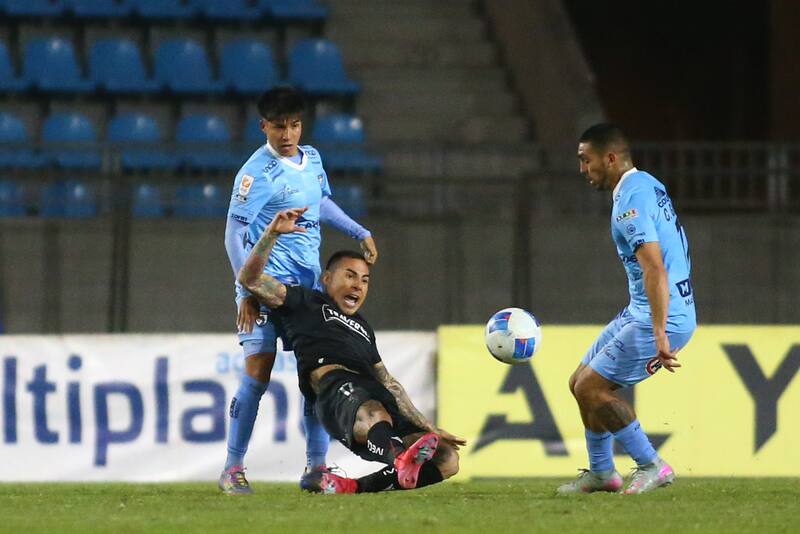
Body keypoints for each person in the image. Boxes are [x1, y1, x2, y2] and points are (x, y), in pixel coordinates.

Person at [237, 206, 465, 494]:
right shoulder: (305, 301)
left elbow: (389, 383)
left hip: (373, 393)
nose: (358, 285)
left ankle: (353, 486)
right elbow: (251, 279)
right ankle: (400, 458)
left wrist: (428, 427)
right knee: (373, 411)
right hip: (337, 391)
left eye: (365, 280)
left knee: (448, 460)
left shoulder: (363, 327)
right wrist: (271, 234)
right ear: (327, 278)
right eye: (350, 275)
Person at [220, 86, 379, 494]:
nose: (287, 134)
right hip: (267, 289)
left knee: (318, 376)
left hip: (307, 291)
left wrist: (359, 231)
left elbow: (321, 203)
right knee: (258, 372)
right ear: (263, 127)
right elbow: (233, 237)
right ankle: (233, 468)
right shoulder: (255, 175)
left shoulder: (313, 161)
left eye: (293, 125)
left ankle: (316, 468)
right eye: (278, 127)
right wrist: (248, 290)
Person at [558, 123, 696, 495]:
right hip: (645, 309)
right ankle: (603, 473)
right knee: (579, 383)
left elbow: (655, 267)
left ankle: (653, 465)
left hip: (662, 315)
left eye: (586, 161)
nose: (583, 170)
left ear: (611, 158)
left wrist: (661, 330)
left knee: (592, 389)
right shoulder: (648, 183)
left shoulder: (628, 207)